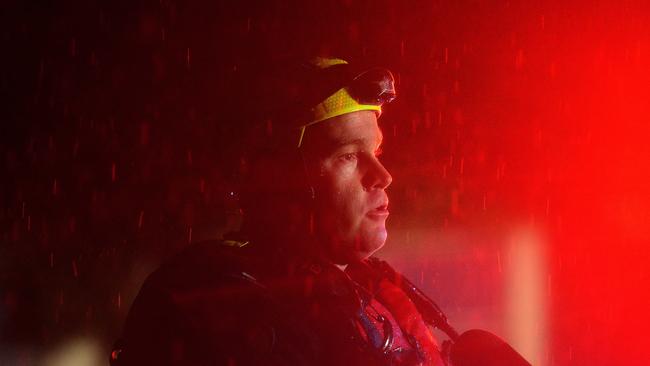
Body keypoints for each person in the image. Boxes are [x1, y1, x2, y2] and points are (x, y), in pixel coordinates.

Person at [110, 57, 452, 366]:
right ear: (281, 179)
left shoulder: (370, 292)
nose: (383, 176)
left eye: (377, 152)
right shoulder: (213, 305)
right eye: (347, 155)